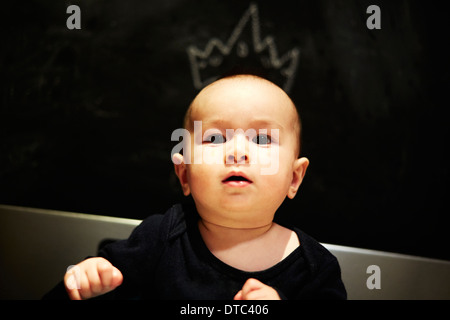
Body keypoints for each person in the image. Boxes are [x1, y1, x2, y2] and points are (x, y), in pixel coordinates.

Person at [43, 74, 346, 300]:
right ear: (184, 175)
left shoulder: (315, 270)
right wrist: (83, 281)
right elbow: (90, 281)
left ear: (294, 178)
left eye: (262, 139)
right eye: (214, 138)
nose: (237, 152)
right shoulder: (159, 239)